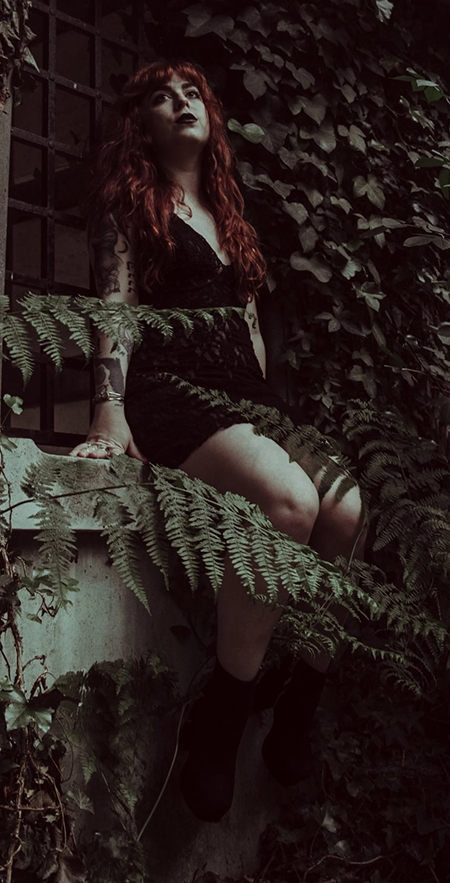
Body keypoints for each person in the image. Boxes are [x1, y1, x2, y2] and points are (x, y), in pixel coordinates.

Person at [70, 60, 365, 822]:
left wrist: (271, 415)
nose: (181, 103)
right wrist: (109, 410)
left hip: (245, 398)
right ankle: (219, 724)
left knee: (348, 511)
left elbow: (250, 333)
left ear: (212, 119)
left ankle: (298, 706)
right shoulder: (130, 205)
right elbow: (117, 307)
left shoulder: (230, 211)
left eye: (192, 93)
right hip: (174, 395)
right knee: (289, 501)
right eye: (163, 98)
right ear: (142, 124)